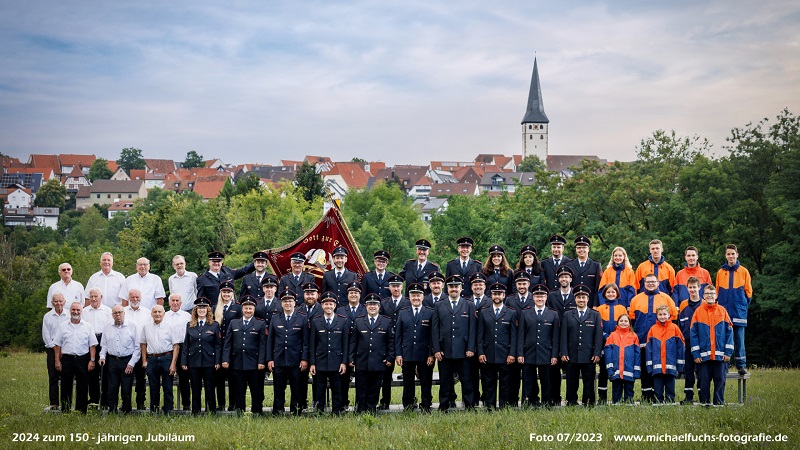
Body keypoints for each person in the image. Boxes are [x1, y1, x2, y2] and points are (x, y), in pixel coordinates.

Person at [629, 273, 678, 402]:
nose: (650, 284)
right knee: (645, 368)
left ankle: (660, 396)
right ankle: (646, 396)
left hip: (661, 342)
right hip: (642, 340)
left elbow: (673, 317)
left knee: (659, 369)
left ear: (658, 283)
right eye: (648, 282)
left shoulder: (666, 298)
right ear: (644, 283)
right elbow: (632, 319)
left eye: (653, 282)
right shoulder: (636, 299)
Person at [432, 275, 477, 411]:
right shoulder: (439, 305)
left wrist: (471, 347)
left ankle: (469, 405)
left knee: (467, 380)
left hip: (464, 350)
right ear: (447, 288)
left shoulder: (469, 305)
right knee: (445, 380)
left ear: (461, 288)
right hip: (444, 350)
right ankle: (444, 406)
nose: (454, 289)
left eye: (456, 286)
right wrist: (436, 349)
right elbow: (435, 329)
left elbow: (472, 328)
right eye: (451, 287)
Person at [267, 288, 310, 416]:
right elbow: (270, 341)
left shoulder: (302, 318)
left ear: (294, 303)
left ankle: (295, 411)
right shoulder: (275, 318)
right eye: (285, 301)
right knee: (278, 388)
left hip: (296, 360)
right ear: (281, 303)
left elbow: (305, 341)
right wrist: (270, 359)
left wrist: (304, 359)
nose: (288, 303)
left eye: (290, 301)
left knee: (296, 388)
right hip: (279, 359)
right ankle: (277, 411)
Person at [222, 295, 268, 415]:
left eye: (250, 308)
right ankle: (239, 411)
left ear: (254, 310)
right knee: (239, 389)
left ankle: (257, 412)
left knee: (256, 389)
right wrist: (225, 359)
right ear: (242, 309)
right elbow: (227, 343)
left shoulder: (260, 324)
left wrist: (261, 362)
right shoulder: (233, 323)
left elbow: (263, 345)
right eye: (246, 308)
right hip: (237, 362)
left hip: (254, 363)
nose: (248, 311)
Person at [394, 282, 435, 412]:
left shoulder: (430, 312)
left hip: (424, 353)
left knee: (426, 380)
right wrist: (398, 354)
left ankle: (426, 404)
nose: (416, 298)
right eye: (413, 295)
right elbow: (398, 336)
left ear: (423, 297)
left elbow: (433, 336)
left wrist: (431, 354)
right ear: (409, 297)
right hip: (407, 352)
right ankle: (408, 404)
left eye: (418, 295)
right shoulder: (403, 313)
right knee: (408, 381)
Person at [560, 285, 603, 407]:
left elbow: (598, 336)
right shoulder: (568, 315)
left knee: (588, 381)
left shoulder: (595, 315)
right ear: (575, 299)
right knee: (571, 381)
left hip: (589, 355)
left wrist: (597, 353)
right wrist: (564, 352)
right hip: (571, 354)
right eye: (578, 297)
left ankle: (588, 402)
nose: (581, 300)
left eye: (583, 297)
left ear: (587, 299)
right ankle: (571, 402)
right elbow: (563, 335)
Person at [517, 284, 560, 407]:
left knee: (547, 380)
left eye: (542, 296)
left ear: (546, 297)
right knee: (528, 380)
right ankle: (530, 402)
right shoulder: (525, 313)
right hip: (529, 352)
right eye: (537, 296)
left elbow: (555, 337)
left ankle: (547, 403)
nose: (540, 299)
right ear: (533, 297)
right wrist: (520, 353)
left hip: (546, 352)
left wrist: (554, 355)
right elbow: (521, 335)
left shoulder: (553, 314)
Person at [349, 294, 393, 414]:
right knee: (361, 387)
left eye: (375, 305)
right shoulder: (359, 321)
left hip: (379, 361)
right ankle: (360, 410)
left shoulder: (386, 321)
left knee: (375, 388)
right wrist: (351, 357)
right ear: (366, 306)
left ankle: (371, 410)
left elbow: (390, 341)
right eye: (370, 304)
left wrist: (390, 357)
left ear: (379, 306)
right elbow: (353, 342)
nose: (372, 307)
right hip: (362, 360)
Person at [690, 285, 734, 406]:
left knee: (720, 380)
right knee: (704, 381)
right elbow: (693, 334)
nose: (710, 295)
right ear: (703, 296)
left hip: (720, 355)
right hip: (703, 356)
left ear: (716, 296)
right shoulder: (698, 312)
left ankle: (718, 404)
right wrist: (696, 354)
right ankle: (705, 404)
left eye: (712, 293)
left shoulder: (722, 311)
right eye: (707, 293)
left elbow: (729, 332)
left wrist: (728, 352)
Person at [477, 282, 518, 409]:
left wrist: (512, 354)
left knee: (505, 382)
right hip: (488, 353)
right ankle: (490, 405)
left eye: (499, 294)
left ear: (504, 295)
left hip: (505, 354)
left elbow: (513, 336)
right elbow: (480, 334)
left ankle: (503, 405)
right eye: (495, 294)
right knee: (489, 382)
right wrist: (480, 352)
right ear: (491, 295)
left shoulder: (511, 313)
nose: (497, 296)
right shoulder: (484, 312)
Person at [309, 292, 349, 414]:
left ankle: (336, 411)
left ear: (335, 305)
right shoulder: (316, 321)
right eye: (326, 304)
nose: (328, 306)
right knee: (319, 388)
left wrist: (344, 362)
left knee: (337, 388)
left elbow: (345, 344)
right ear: (322, 305)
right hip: (320, 361)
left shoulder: (342, 321)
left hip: (336, 361)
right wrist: (312, 363)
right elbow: (312, 344)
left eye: (331, 304)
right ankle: (319, 411)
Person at [53, 302, 98, 413]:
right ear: (70, 311)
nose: (75, 312)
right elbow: (57, 345)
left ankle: (81, 411)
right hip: (67, 359)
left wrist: (92, 360)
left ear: (81, 311)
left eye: (78, 310)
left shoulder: (87, 326)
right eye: (73, 310)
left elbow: (92, 345)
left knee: (82, 386)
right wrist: (57, 361)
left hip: (82, 359)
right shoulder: (63, 326)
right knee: (65, 385)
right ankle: (65, 410)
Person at [715, 244, 753, 376]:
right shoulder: (720, 272)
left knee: (739, 339)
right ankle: (724, 365)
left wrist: (742, 305)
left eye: (733, 254)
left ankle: (741, 365)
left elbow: (749, 292)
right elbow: (717, 292)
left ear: (737, 255)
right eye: (728, 254)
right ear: (725, 256)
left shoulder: (744, 271)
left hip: (738, 311)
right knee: (723, 339)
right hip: (724, 312)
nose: (731, 256)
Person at [181, 297, 221, 415]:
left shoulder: (214, 325)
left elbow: (218, 345)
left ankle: (212, 411)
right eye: (199, 308)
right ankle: (196, 412)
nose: (202, 310)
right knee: (195, 388)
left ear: (208, 310)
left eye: (204, 308)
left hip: (209, 361)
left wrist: (217, 361)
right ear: (196, 310)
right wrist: (184, 361)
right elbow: (186, 345)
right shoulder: (190, 325)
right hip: (194, 362)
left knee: (210, 388)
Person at [139, 304, 180, 414]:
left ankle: (168, 410)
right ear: (151, 314)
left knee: (168, 386)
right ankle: (154, 409)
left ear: (164, 313)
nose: (157, 314)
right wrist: (144, 360)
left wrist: (173, 364)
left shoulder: (171, 326)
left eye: (159, 312)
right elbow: (143, 344)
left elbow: (176, 346)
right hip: (152, 359)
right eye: (155, 312)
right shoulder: (146, 327)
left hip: (166, 358)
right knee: (153, 386)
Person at [98, 305, 140, 413]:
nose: (118, 315)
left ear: (124, 313)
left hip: (127, 360)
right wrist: (102, 357)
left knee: (126, 388)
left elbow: (137, 347)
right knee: (112, 387)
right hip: (112, 360)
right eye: (115, 313)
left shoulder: (132, 326)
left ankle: (126, 410)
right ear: (112, 315)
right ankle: (112, 410)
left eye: (120, 312)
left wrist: (131, 363)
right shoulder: (107, 326)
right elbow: (104, 345)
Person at [378, 274, 409, 409]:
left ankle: (408, 401)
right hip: (388, 343)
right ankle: (385, 401)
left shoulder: (408, 302)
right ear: (389, 288)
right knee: (386, 375)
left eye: (398, 286)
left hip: (405, 342)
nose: (396, 288)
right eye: (393, 286)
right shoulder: (384, 304)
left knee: (408, 374)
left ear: (402, 287)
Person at [546, 265, 575, 405]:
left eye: (566, 277)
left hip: (572, 336)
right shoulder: (552, 296)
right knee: (554, 369)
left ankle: (571, 398)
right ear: (558, 279)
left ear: (571, 279)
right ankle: (555, 398)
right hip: (554, 335)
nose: (564, 279)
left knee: (571, 369)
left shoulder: (577, 295)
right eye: (561, 277)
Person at [594, 283, 628, 404]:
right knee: (603, 370)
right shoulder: (600, 309)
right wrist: (605, 336)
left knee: (617, 369)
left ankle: (617, 397)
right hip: (604, 342)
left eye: (613, 292)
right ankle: (602, 397)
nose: (611, 294)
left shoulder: (622, 308)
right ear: (604, 294)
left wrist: (616, 337)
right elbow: (598, 326)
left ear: (617, 293)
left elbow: (625, 325)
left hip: (618, 343)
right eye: (608, 292)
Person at [645, 304, 685, 403]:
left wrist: (680, 365)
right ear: (657, 315)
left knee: (670, 387)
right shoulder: (653, 329)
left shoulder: (675, 328)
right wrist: (649, 366)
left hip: (671, 365)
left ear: (669, 315)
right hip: (657, 366)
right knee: (657, 387)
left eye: (664, 314)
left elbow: (681, 347)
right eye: (660, 314)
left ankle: (670, 402)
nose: (662, 316)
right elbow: (648, 349)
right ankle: (658, 402)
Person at [82, 287, 112, 409]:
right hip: (89, 342)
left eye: (96, 296)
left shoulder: (108, 311)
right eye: (91, 296)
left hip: (104, 341)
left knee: (105, 372)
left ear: (101, 297)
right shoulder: (84, 311)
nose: (93, 299)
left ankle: (105, 401)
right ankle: (94, 400)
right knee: (91, 372)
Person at [213, 280, 241, 411]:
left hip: (232, 346)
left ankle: (233, 403)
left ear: (232, 293)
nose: (226, 294)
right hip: (218, 346)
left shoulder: (238, 308)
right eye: (224, 292)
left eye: (229, 292)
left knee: (232, 377)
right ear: (221, 293)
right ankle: (221, 404)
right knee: (219, 377)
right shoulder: (215, 308)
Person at [337, 281, 365, 407]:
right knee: (343, 378)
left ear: (360, 295)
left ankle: (360, 404)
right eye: (351, 292)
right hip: (344, 348)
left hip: (361, 349)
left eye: (356, 293)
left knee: (361, 379)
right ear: (347, 295)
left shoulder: (365, 309)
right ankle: (343, 403)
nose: (353, 295)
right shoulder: (340, 310)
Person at [163, 293, 192, 410]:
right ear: (169, 302)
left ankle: (186, 404)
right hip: (168, 348)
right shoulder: (164, 315)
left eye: (177, 300)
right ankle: (168, 404)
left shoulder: (187, 316)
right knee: (167, 377)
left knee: (184, 377)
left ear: (181, 303)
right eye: (173, 300)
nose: (175, 303)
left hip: (183, 347)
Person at [122, 289, 149, 409]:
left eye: (137, 297)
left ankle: (140, 402)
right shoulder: (123, 312)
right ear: (128, 298)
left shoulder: (147, 313)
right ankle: (125, 403)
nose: (135, 299)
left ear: (141, 298)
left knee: (141, 377)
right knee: (126, 377)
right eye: (132, 297)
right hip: (126, 349)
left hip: (142, 349)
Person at [604, 314, 640, 404]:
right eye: (621, 321)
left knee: (629, 392)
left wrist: (636, 370)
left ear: (629, 323)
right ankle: (616, 407)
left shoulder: (634, 336)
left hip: (629, 371)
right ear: (617, 323)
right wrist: (610, 369)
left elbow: (637, 355)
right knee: (616, 392)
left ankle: (629, 407)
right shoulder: (612, 336)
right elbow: (608, 354)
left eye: (626, 321)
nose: (623, 323)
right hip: (616, 371)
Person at [678, 276, 703, 403]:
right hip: (687, 344)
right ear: (687, 288)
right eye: (690, 287)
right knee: (688, 371)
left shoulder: (704, 304)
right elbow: (680, 325)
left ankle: (702, 396)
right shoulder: (683, 305)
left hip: (701, 344)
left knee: (701, 371)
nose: (692, 289)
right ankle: (688, 397)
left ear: (699, 287)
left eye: (694, 287)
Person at [42, 293, 69, 409]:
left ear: (64, 302)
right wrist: (56, 348)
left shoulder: (69, 314)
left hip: (67, 350)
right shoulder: (47, 317)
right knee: (53, 377)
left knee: (66, 377)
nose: (58, 303)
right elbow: (46, 335)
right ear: (52, 303)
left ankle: (66, 403)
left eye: (60, 301)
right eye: (56, 301)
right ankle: (54, 403)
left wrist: (63, 348)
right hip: (52, 350)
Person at [565, 235, 602, 308]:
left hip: (590, 304)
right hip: (572, 304)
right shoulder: (569, 265)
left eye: (584, 247)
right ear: (576, 249)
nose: (581, 250)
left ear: (588, 249)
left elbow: (598, 287)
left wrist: (595, 305)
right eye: (579, 248)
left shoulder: (596, 265)